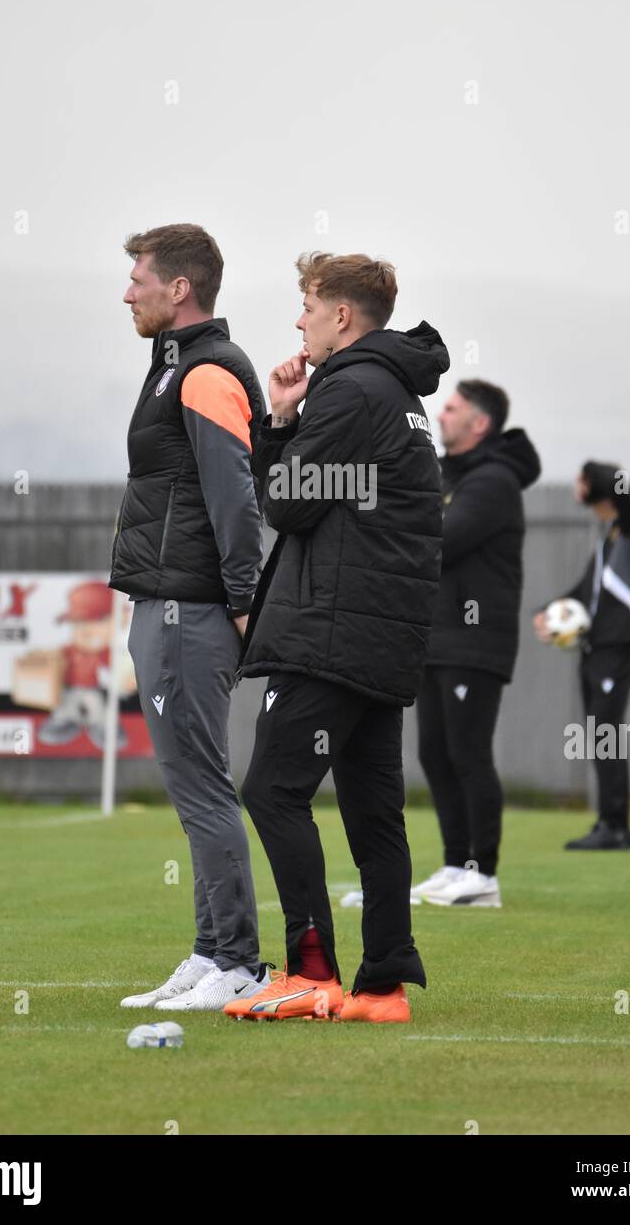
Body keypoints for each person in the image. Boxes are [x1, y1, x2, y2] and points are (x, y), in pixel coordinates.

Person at [224, 251, 450, 1024]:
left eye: (308, 307)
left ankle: (311, 971)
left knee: (272, 791)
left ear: (342, 316)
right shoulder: (397, 392)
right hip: (379, 638)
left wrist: (279, 420)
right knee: (372, 813)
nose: (300, 321)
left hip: (332, 634)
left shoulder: (351, 388)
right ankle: (383, 988)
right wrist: (292, 421)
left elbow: (285, 506)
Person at [110, 223, 272, 1012]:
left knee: (204, 788)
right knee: (192, 789)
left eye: (138, 277)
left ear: (180, 288)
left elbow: (236, 499)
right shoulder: (175, 367)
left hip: (192, 607)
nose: (127, 290)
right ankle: (210, 953)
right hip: (166, 601)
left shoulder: (206, 371)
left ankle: (238, 963)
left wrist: (243, 601)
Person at [412, 380, 541, 908]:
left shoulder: (493, 482)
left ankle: (482, 874)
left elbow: (440, 539)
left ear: (479, 424)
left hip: (475, 640)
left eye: (453, 407)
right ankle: (454, 863)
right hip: (436, 638)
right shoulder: (450, 475)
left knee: (468, 752)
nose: (441, 414)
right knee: (435, 754)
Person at [533, 461, 630, 850]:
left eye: (582, 480)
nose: (576, 486)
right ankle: (610, 823)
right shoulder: (610, 535)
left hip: (617, 646)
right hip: (595, 648)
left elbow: (623, 491)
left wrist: (595, 476)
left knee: (606, 732)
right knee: (598, 734)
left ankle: (617, 827)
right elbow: (583, 592)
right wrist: (545, 611)